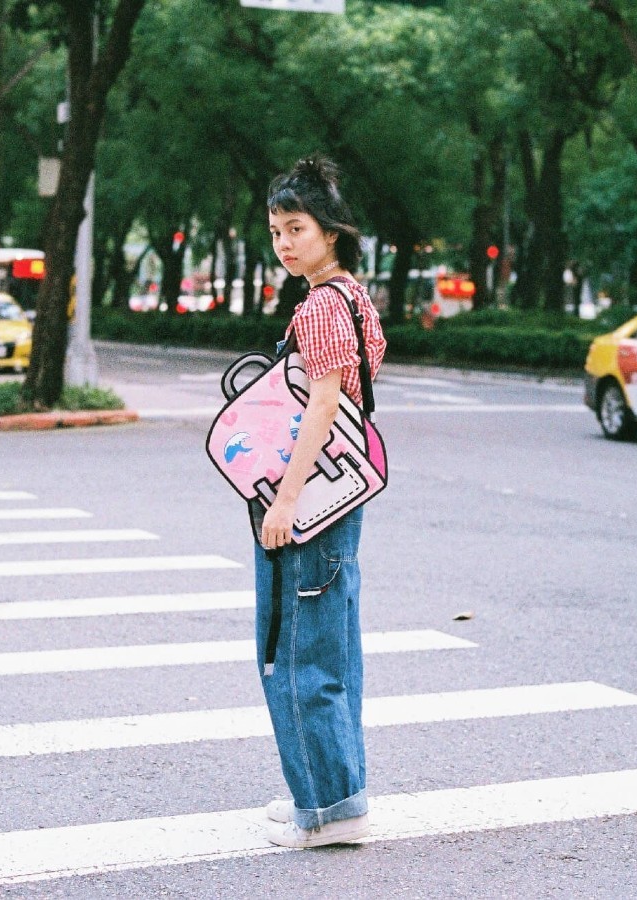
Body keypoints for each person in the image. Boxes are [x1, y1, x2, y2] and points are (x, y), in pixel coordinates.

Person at [256, 155, 387, 849]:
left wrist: (285, 498)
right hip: (342, 491)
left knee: (304, 650)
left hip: (316, 498)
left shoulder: (321, 306)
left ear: (329, 232)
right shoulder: (352, 297)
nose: (284, 243)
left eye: (296, 228)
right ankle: (331, 792)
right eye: (276, 230)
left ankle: (330, 813)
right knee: (331, 649)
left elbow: (325, 404)